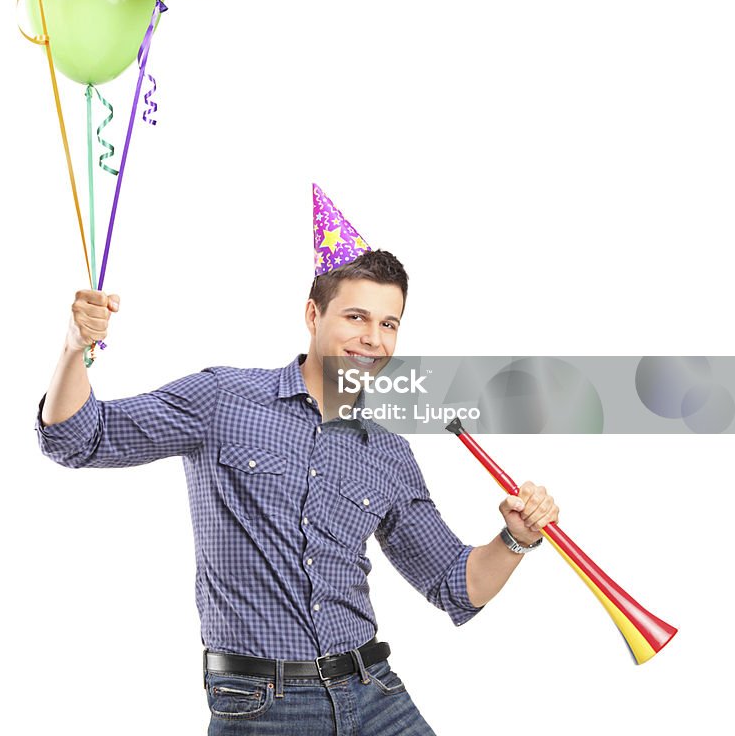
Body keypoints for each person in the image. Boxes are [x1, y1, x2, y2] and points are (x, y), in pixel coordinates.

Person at [36, 185, 559, 735]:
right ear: (313, 314)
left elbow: (457, 584)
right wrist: (75, 346)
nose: (373, 339)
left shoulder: (388, 453)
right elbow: (79, 438)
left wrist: (517, 537)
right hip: (262, 705)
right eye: (357, 317)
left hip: (373, 691)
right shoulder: (223, 400)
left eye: (389, 324)